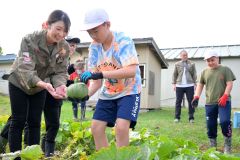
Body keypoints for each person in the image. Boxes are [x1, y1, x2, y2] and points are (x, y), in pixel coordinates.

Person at [6, 10, 71, 159]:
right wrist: (44, 84)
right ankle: (15, 157)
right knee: (18, 121)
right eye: (58, 29)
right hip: (19, 82)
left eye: (65, 31)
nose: (61, 34)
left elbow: (60, 71)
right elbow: (26, 69)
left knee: (35, 122)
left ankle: (31, 156)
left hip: (41, 86)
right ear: (48, 25)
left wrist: (60, 85)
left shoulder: (64, 47)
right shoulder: (30, 39)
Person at [80, 8, 142, 150]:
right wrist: (85, 95)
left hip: (129, 91)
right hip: (108, 93)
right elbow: (96, 82)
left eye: (95, 31)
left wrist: (102, 74)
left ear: (107, 25)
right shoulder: (94, 47)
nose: (93, 36)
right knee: (96, 128)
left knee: (121, 128)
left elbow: (132, 71)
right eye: (89, 32)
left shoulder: (123, 40)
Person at [191, 49, 236, 154]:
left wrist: (225, 95)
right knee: (211, 125)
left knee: (224, 122)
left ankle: (227, 146)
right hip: (210, 103)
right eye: (208, 60)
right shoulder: (204, 72)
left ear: (217, 58)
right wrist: (196, 96)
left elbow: (229, 83)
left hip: (224, 101)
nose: (210, 62)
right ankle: (212, 148)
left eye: (212, 60)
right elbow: (200, 85)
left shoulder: (225, 69)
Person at [172, 50, 197, 123]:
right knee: (178, 101)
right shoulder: (177, 64)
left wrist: (195, 83)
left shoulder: (192, 64)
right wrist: (174, 84)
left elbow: (194, 74)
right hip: (179, 85)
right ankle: (177, 117)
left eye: (186, 55)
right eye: (183, 55)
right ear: (180, 56)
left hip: (190, 85)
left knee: (191, 102)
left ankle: (191, 118)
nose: (185, 56)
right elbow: (174, 74)